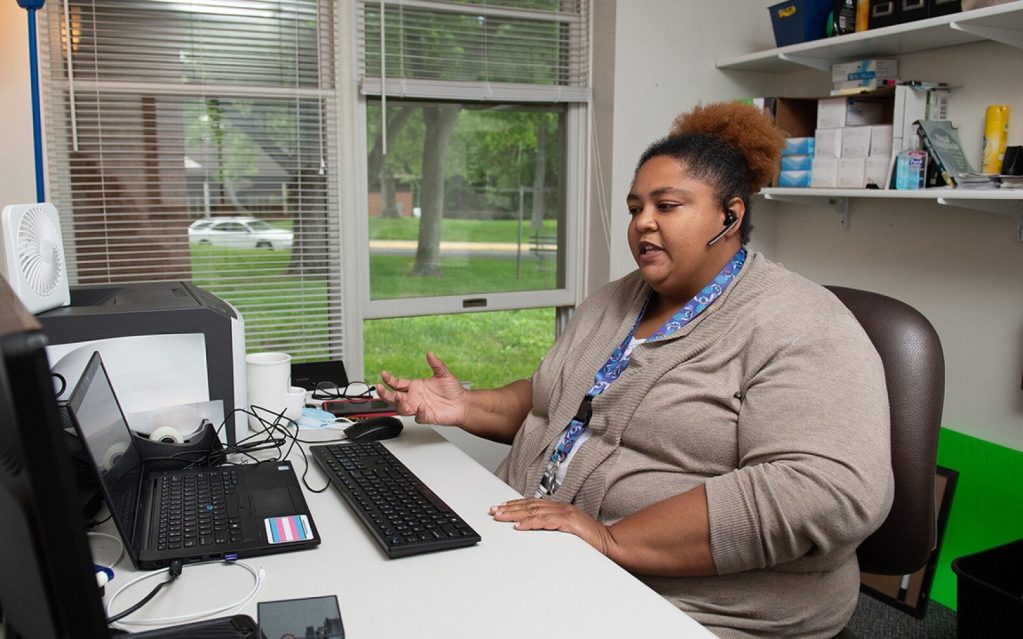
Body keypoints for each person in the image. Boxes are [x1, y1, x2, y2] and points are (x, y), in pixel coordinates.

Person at [378, 101, 894, 638]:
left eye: (667, 205)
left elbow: (823, 491)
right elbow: (555, 406)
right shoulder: (612, 303)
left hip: (688, 604)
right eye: (634, 207)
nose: (643, 221)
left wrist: (611, 538)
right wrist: (464, 404)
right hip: (541, 551)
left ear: (730, 215)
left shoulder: (801, 323)